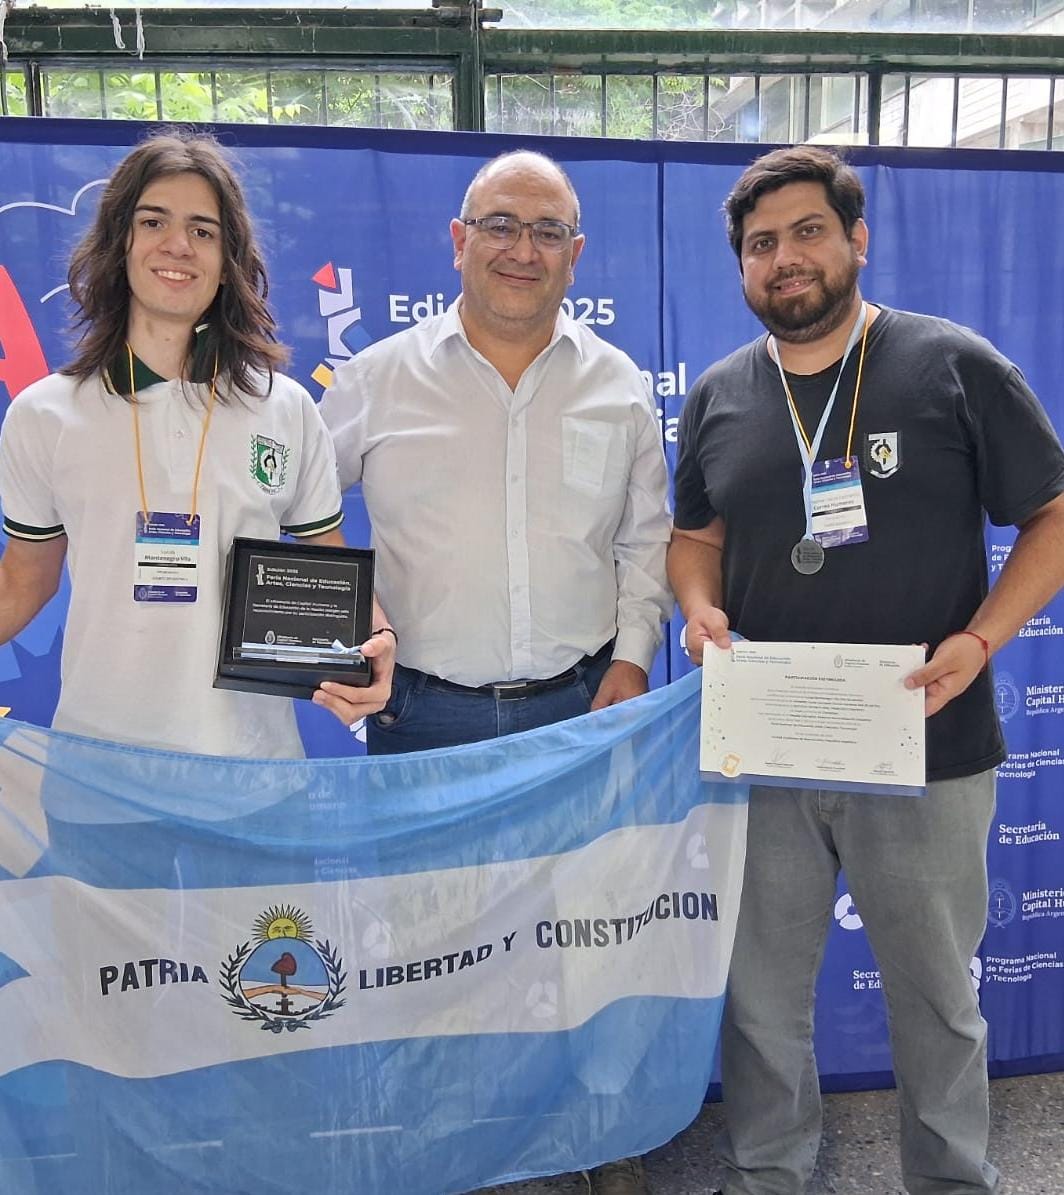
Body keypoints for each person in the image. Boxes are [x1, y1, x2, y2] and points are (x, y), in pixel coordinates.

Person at [667, 144, 1064, 1195]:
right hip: (766, 749)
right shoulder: (718, 394)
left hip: (926, 741)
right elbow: (694, 538)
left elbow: (1051, 518)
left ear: (857, 239)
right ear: (742, 267)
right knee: (760, 997)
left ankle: (951, 1179)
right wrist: (698, 608)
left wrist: (979, 640)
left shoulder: (954, 366)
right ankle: (768, 1173)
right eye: (761, 244)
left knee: (935, 998)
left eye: (807, 232)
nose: (784, 258)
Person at [315, 150, 672, 1195]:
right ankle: (452, 1154)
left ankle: (604, 1138)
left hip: (580, 715)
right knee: (432, 955)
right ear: (458, 240)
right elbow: (293, 508)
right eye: (501, 224)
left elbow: (645, 542)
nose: (523, 248)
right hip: (424, 721)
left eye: (547, 230)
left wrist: (633, 661)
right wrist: (345, 619)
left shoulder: (618, 385)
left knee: (589, 944)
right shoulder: (376, 378)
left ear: (575, 253)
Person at [0, 129, 393, 758]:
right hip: (101, 771)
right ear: (119, 243)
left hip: (254, 772)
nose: (178, 245)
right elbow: (24, 581)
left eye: (203, 230)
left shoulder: (285, 408)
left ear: (228, 260)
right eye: (153, 221)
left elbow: (331, 573)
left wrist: (376, 639)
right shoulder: (44, 414)